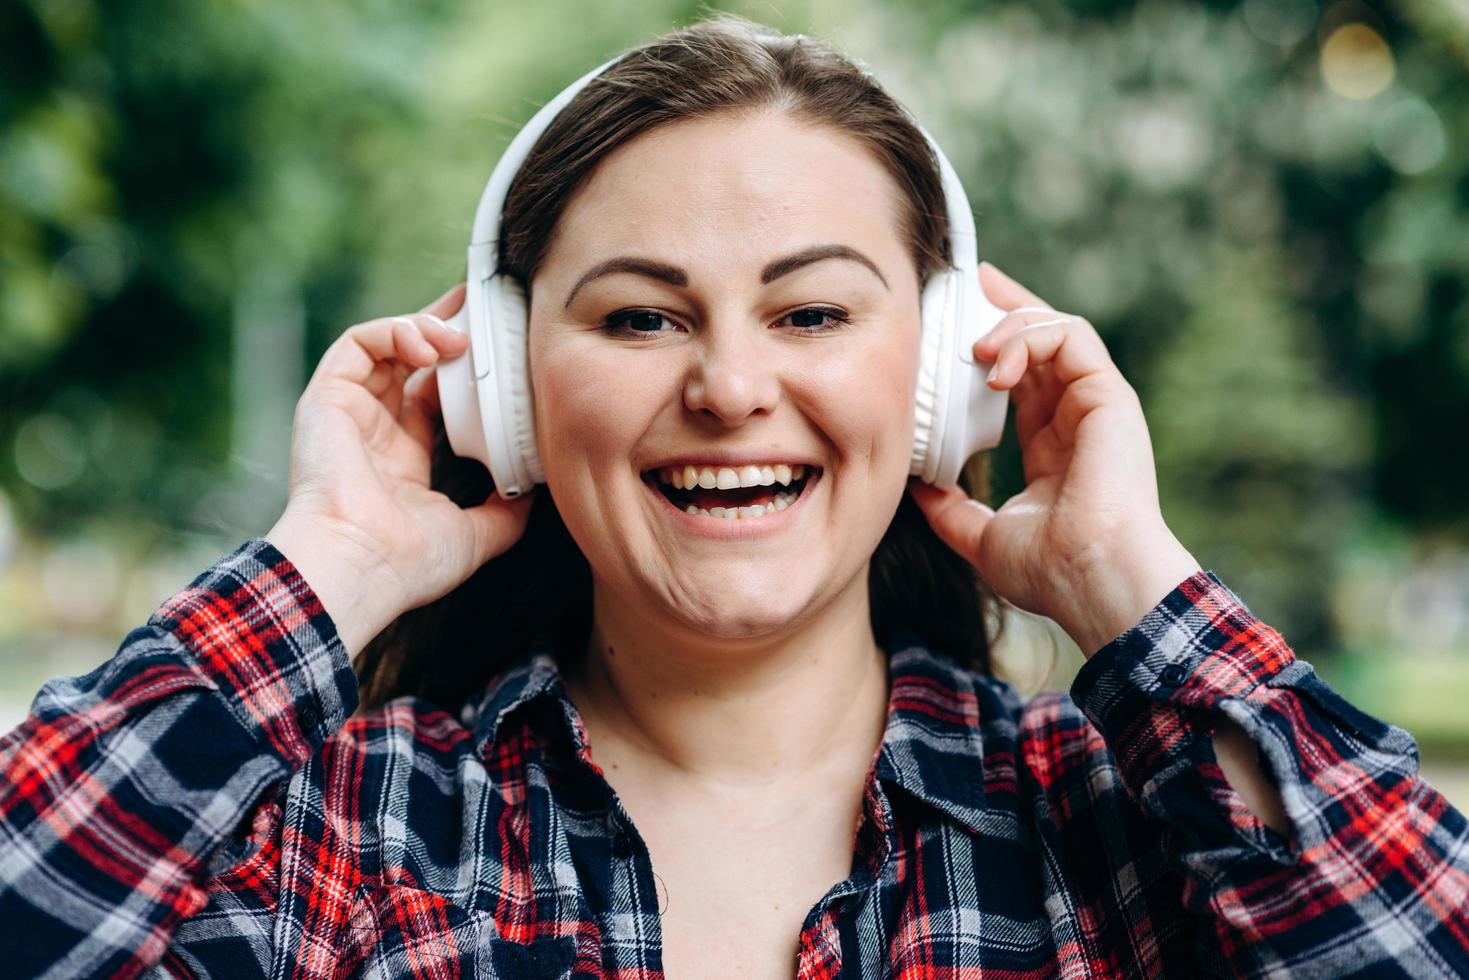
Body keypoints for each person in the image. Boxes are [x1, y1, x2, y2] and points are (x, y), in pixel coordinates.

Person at [2, 15, 1465, 979]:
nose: (727, 387)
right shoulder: (353, 826)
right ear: (501, 390)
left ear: (944, 380)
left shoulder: (1126, 832)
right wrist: (328, 565)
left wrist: (1130, 588)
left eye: (813, 316)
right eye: (639, 319)